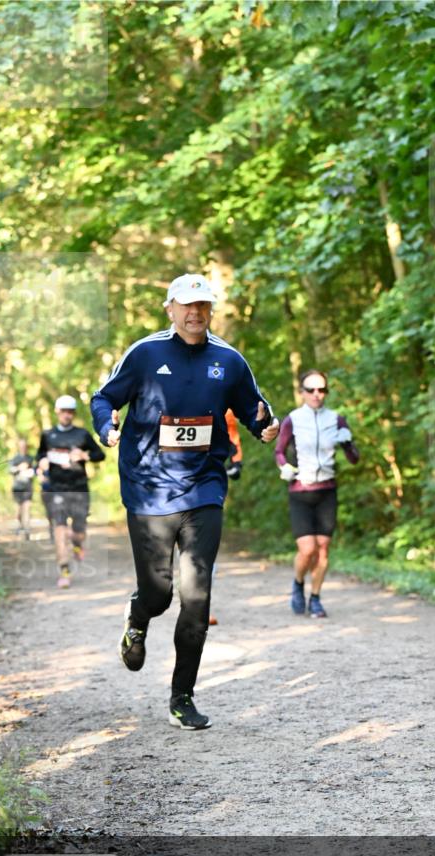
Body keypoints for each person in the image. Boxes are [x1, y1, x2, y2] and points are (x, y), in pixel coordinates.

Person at [90, 272, 279, 731]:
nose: (195, 313)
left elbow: (252, 406)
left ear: (210, 310)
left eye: (203, 306)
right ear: (169, 308)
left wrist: (264, 427)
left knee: (197, 595)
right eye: (187, 305)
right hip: (149, 487)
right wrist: (106, 425)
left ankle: (182, 697)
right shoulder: (145, 353)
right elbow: (104, 397)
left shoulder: (229, 360)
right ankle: (139, 617)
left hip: (204, 487)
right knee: (159, 593)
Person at [275, 369, 359, 619]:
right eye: (311, 390)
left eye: (321, 390)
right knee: (307, 549)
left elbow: (354, 459)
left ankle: (316, 599)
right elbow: (279, 451)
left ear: (326, 393)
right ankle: (298, 583)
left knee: (323, 549)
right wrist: (285, 467)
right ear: (302, 393)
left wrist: (347, 443)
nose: (316, 394)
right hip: (300, 490)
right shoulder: (293, 419)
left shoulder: (336, 419)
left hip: (327, 491)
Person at [36, 395, 105, 589]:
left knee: (78, 533)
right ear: (57, 412)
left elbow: (100, 454)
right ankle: (64, 571)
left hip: (80, 489)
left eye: (70, 411)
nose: (67, 414)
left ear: (73, 413)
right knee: (59, 530)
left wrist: (85, 455)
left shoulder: (82, 434)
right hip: (56, 489)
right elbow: (40, 455)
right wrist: (41, 462)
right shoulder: (47, 435)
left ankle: (77, 544)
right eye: (63, 411)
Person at [209, 408, 243, 626]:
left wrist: (236, 461)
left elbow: (232, 432)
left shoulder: (220, 385)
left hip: (209, 480)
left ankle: (201, 606)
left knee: (204, 549)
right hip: (169, 480)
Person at [9, 438, 35, 539]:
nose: (23, 448)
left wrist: (31, 472)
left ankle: (27, 529)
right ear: (19, 447)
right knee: (19, 509)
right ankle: (20, 526)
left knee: (27, 508)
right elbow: (10, 470)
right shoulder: (15, 458)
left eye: (25, 446)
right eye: (21, 446)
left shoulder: (30, 458)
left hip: (28, 487)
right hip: (17, 487)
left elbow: (35, 470)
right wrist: (20, 467)